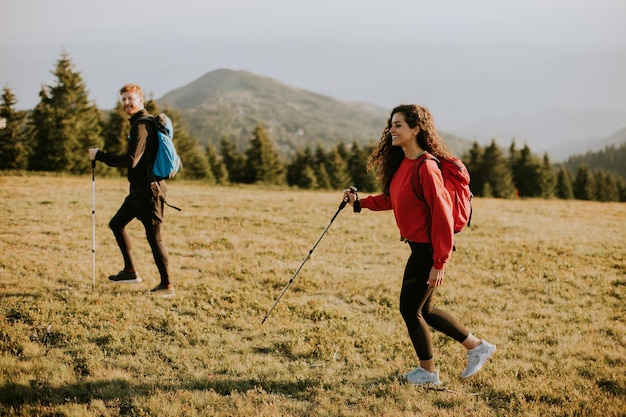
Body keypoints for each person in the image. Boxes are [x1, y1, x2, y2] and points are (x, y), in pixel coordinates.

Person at [342, 104, 495, 385]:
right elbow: (392, 198)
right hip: (420, 247)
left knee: (409, 310)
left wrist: (439, 262)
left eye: (398, 125)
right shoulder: (405, 164)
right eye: (391, 124)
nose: (391, 129)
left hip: (428, 250)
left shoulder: (427, 167)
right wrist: (360, 203)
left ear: (416, 129)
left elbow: (442, 215)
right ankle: (477, 347)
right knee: (425, 310)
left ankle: (428, 373)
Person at [88, 83, 174, 297]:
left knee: (155, 239)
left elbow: (131, 160)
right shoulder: (140, 123)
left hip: (150, 193)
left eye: (130, 99)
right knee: (116, 224)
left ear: (140, 101)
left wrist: (100, 155)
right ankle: (130, 271)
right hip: (138, 192)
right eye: (124, 99)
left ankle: (167, 285)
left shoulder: (141, 126)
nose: (126, 103)